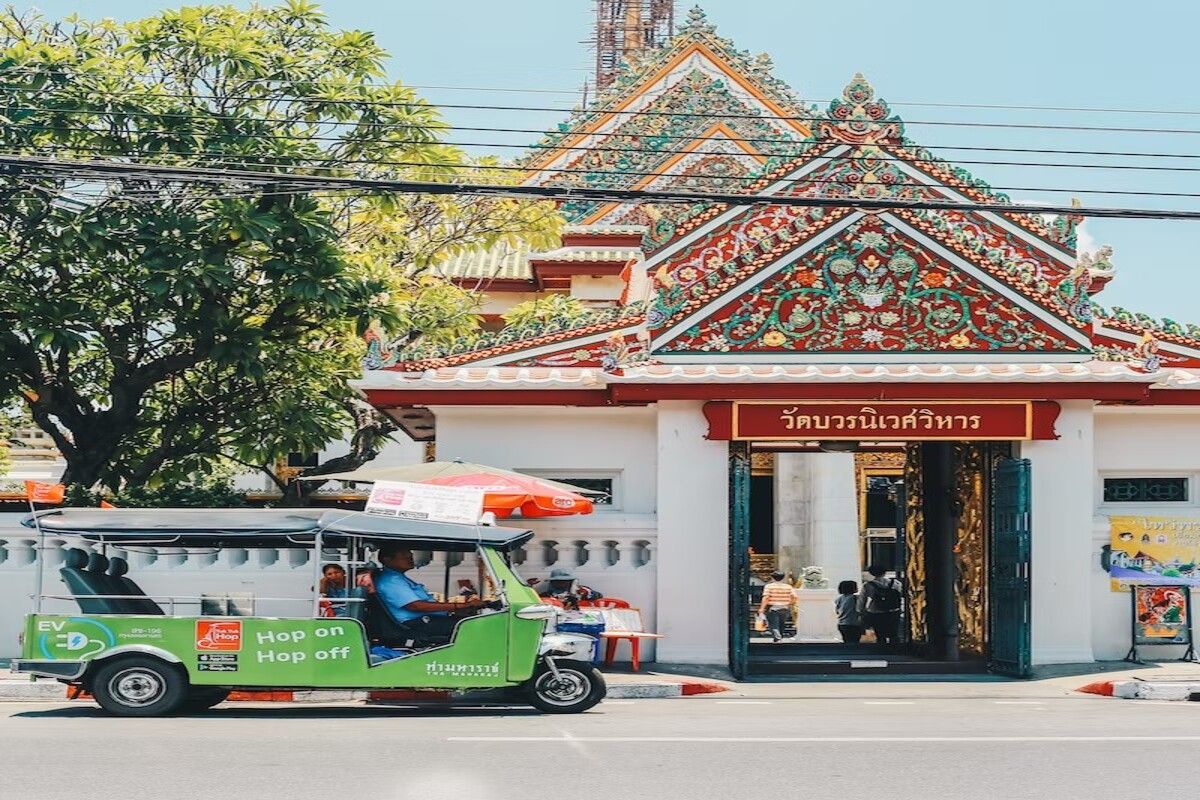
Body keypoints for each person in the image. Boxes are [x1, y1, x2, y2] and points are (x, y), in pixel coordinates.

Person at [374, 544, 489, 639]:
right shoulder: (390, 581)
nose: (410, 556)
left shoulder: (398, 578)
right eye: (404, 554)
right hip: (416, 625)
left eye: (410, 553)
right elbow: (416, 606)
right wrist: (458, 606)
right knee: (476, 627)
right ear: (387, 560)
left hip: (428, 620)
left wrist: (460, 608)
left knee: (470, 620)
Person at [858, 564, 902, 645]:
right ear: (885, 572)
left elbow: (862, 601)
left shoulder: (868, 585)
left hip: (876, 611)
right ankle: (895, 649)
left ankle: (882, 648)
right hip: (893, 611)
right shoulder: (896, 583)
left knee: (880, 634)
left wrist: (861, 611)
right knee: (893, 633)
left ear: (871, 573)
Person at [533, 568, 602, 609]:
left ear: (570, 582)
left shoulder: (580, 590)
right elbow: (535, 600)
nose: (559, 583)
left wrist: (587, 593)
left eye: (563, 581)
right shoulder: (548, 594)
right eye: (556, 581)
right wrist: (530, 586)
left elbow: (599, 596)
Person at [757, 571, 794, 643]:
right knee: (782, 623)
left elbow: (766, 597)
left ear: (772, 578)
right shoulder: (788, 587)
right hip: (784, 607)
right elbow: (794, 596)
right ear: (783, 578)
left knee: (773, 624)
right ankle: (780, 637)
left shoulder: (769, 586)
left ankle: (778, 638)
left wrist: (761, 608)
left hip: (773, 607)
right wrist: (790, 603)